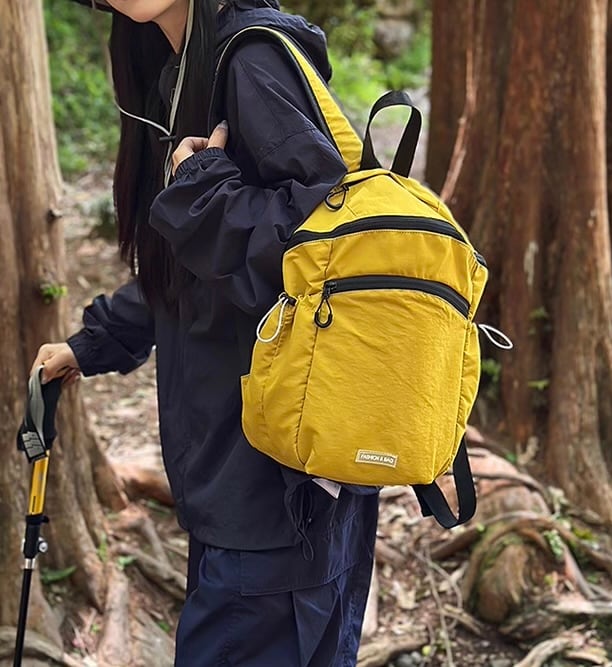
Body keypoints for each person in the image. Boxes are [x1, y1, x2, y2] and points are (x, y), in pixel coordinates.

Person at [32, 1, 379, 664]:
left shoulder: (250, 59)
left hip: (281, 486)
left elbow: (336, 242)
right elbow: (193, 268)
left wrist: (201, 188)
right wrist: (94, 342)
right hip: (239, 474)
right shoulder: (178, 74)